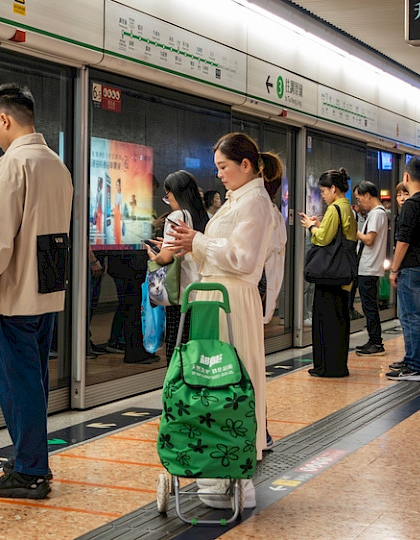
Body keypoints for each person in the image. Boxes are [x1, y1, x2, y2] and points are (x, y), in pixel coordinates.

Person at [0, 83, 72, 499]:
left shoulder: (12, 164)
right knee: (34, 381)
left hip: (11, 294)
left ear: (4, 119)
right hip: (44, 291)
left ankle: (30, 470)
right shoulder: (55, 164)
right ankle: (31, 459)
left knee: (17, 385)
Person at [168, 132, 286, 508]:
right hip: (219, 298)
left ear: (245, 165)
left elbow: (243, 259)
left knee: (230, 379)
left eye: (223, 166)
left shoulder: (255, 203)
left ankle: (232, 476)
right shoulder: (241, 199)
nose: (218, 173)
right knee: (215, 379)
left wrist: (198, 241)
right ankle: (221, 469)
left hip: (232, 298)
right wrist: (193, 244)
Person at [386, 157, 420, 382]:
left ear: (406, 177)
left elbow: (403, 241)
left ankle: (413, 366)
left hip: (411, 269)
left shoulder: (411, 205)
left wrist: (394, 269)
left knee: (410, 317)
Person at [300, 169, 356, 377]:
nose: (322, 195)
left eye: (323, 191)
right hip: (342, 273)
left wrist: (311, 227)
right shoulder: (347, 207)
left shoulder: (334, 208)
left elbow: (323, 239)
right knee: (339, 320)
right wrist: (320, 225)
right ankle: (337, 364)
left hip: (329, 275)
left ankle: (325, 366)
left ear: (333, 188)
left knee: (325, 320)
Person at [147, 170, 207, 361]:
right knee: (196, 347)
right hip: (203, 292)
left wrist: (153, 256)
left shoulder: (177, 216)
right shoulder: (202, 217)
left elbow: (165, 257)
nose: (168, 200)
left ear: (176, 192)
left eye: (168, 195)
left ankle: (176, 381)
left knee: (177, 347)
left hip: (182, 292)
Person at [354, 180, 388, 356]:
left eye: (359, 198)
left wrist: (354, 231)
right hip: (370, 266)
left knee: (369, 307)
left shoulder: (376, 214)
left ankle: (376, 342)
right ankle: (373, 340)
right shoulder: (378, 213)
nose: (359, 202)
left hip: (369, 267)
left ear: (367, 195)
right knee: (369, 306)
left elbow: (369, 239)